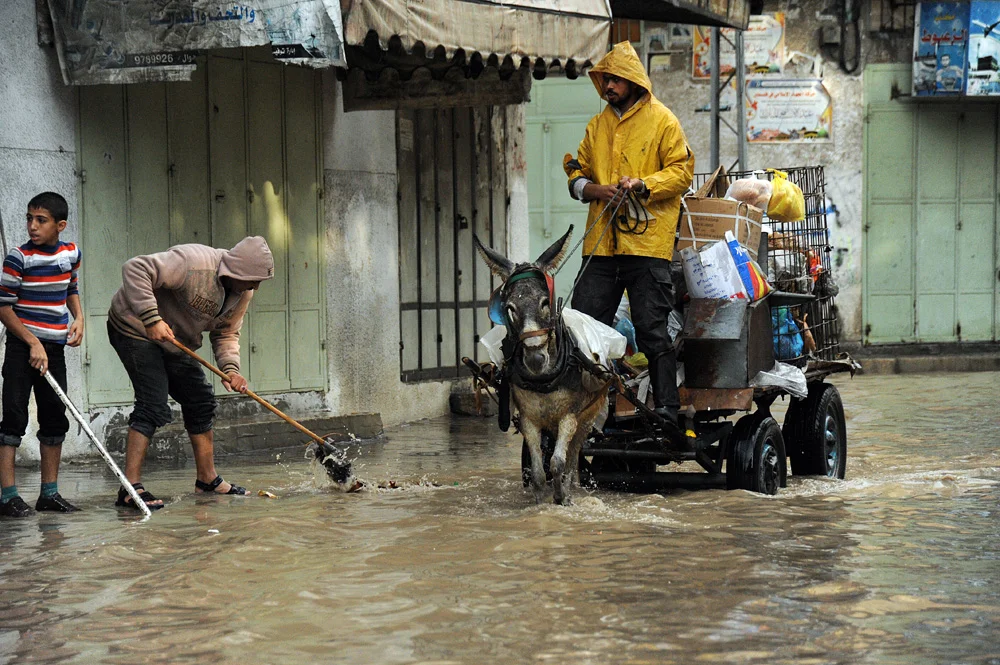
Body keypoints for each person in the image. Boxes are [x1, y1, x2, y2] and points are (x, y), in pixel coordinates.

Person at [564, 41, 694, 426]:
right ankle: (583, 410)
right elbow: (575, 172)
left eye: (616, 80)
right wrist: (594, 190)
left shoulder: (663, 121)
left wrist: (643, 184)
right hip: (601, 246)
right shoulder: (597, 125)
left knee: (652, 331)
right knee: (583, 328)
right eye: (605, 80)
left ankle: (667, 409)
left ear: (634, 81)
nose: (608, 86)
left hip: (647, 244)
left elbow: (682, 173)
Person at [107, 237, 274, 510]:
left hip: (175, 340)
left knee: (200, 399)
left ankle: (207, 480)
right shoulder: (193, 262)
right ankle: (130, 488)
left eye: (258, 282)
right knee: (153, 403)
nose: (255, 287)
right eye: (252, 280)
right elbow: (135, 268)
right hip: (134, 328)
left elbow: (227, 332)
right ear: (236, 271)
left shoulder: (244, 292)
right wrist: (151, 318)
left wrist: (231, 369)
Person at [0, 192, 84, 517]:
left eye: (41, 220)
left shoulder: (71, 254)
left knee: (53, 418)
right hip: (22, 349)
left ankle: (49, 494)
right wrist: (32, 342)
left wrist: (78, 319)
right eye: (29, 219)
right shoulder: (18, 257)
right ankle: (7, 497)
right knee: (14, 419)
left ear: (60, 225)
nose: (32, 226)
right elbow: (4, 307)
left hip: (55, 349)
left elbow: (70, 288)